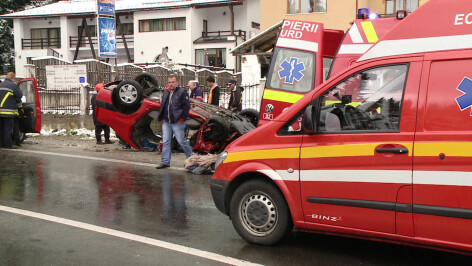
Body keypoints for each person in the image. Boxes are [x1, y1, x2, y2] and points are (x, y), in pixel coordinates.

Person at [156, 75, 194, 169]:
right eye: (169, 82)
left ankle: (192, 159)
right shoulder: (167, 92)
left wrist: (182, 118)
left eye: (173, 82)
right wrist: (163, 117)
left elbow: (186, 107)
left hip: (177, 121)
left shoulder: (182, 92)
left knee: (182, 141)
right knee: (166, 141)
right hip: (167, 121)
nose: (171, 84)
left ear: (177, 82)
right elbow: (163, 105)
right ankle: (165, 162)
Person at [0, 72, 23, 149]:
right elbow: (20, 95)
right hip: (8, 112)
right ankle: (8, 144)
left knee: (1, 128)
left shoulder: (1, 85)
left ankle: (1, 144)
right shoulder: (12, 86)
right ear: (13, 78)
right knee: (8, 129)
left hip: (0, 111)